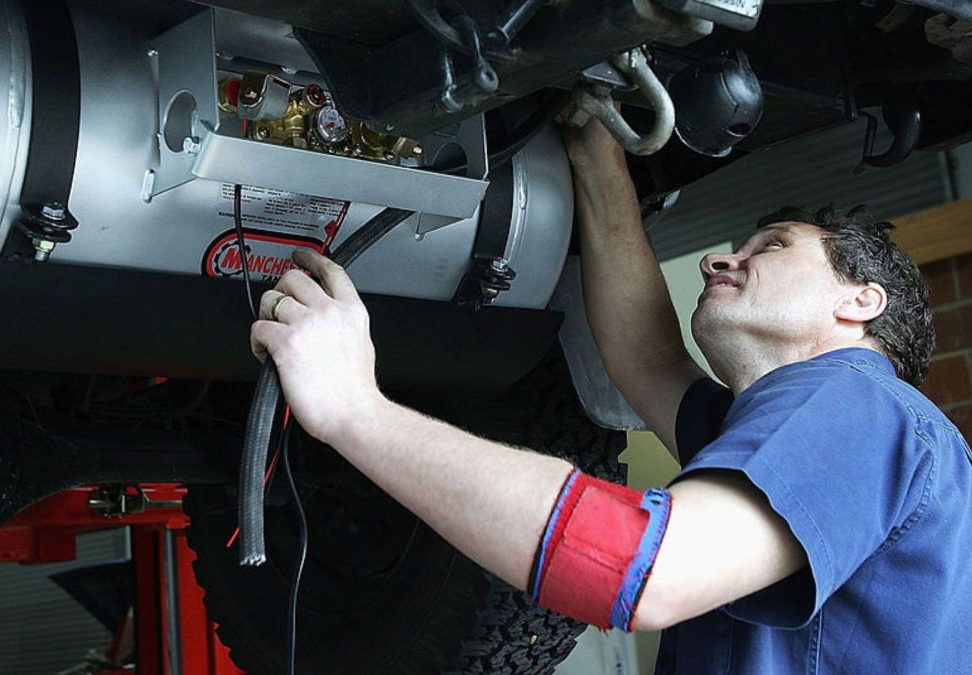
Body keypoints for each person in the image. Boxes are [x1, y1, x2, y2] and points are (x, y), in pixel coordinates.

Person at [248, 118, 972, 673]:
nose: (726, 256)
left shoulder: (861, 406)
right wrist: (597, 154)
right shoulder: (812, 443)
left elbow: (640, 564)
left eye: (770, 246)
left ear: (861, 301)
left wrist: (353, 408)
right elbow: (644, 355)